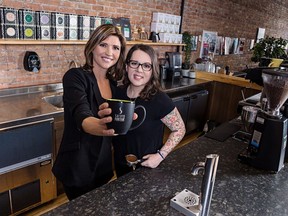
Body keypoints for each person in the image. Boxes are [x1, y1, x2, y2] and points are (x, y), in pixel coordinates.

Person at [52, 24, 126, 200]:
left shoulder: (114, 85)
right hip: (78, 166)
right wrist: (101, 126)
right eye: (103, 44)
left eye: (115, 47)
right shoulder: (75, 76)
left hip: (103, 165)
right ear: (92, 46)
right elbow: (81, 113)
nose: (109, 52)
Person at [112, 44, 186, 177]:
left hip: (148, 168)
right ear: (127, 66)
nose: (139, 70)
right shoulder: (118, 93)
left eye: (146, 66)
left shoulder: (159, 99)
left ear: (152, 71)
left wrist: (160, 156)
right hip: (121, 166)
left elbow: (179, 129)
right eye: (134, 63)